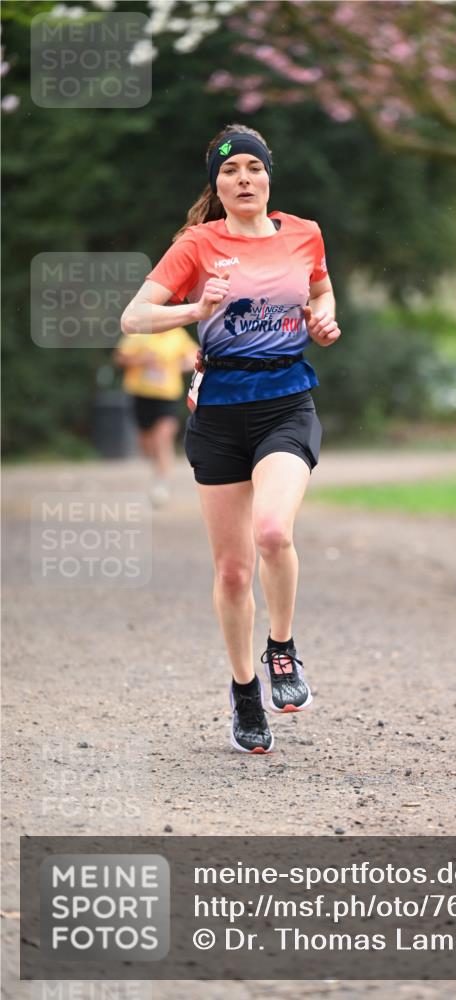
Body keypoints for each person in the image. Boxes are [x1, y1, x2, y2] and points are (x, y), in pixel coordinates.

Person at [120, 124, 341, 754]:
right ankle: (245, 691)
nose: (243, 179)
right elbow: (134, 317)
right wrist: (195, 310)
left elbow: (321, 289)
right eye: (230, 171)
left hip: (286, 403)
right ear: (216, 186)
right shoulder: (197, 244)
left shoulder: (304, 233)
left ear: (268, 176)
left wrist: (324, 319)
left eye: (253, 167)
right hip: (219, 413)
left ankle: (282, 648)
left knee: (273, 532)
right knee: (234, 570)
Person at [113, 327, 199, 506]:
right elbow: (119, 357)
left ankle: (161, 482)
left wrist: (182, 364)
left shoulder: (177, 334)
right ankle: (157, 468)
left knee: (163, 436)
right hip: (141, 394)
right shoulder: (139, 334)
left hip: (168, 395)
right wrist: (141, 360)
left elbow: (195, 355)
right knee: (146, 442)